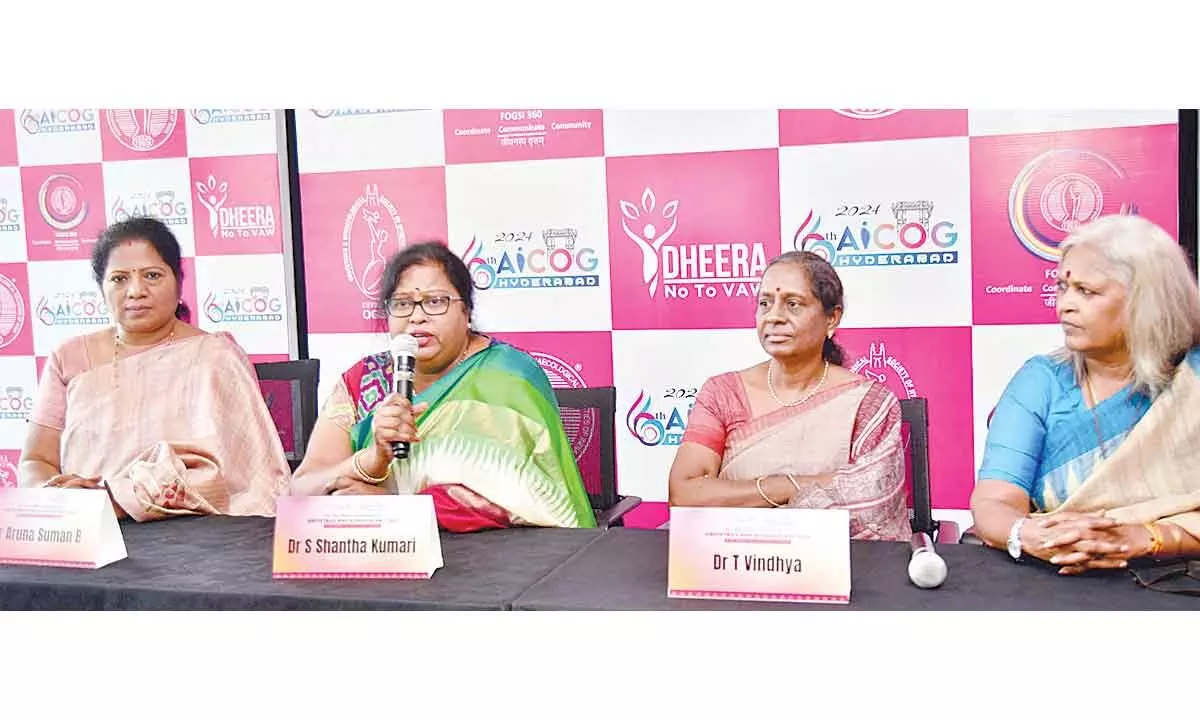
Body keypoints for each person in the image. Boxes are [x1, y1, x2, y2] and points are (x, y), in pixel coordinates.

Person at [291, 241, 596, 532]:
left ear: (467, 312)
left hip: (498, 563)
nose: (417, 316)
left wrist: (396, 507)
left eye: (435, 302)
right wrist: (370, 461)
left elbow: (534, 498)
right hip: (381, 558)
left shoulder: (509, 376)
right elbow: (303, 488)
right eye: (402, 304)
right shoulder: (363, 380)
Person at [970, 214, 1200, 574]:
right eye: (1063, 287)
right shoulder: (1041, 380)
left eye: (1086, 292)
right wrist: (1026, 534)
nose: (1064, 305)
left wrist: (1149, 537)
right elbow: (995, 499)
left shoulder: (1193, 380)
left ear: (1146, 301)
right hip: (1055, 575)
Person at [18, 217, 290, 520]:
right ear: (101, 288)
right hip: (85, 529)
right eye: (119, 279)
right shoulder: (68, 357)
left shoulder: (215, 356)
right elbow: (36, 460)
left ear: (178, 282)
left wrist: (118, 500)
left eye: (152, 275)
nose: (135, 291)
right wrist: (52, 498)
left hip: (194, 535)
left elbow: (241, 476)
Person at [667, 251, 910, 541]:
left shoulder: (867, 403)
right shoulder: (723, 393)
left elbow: (870, 508)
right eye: (765, 303)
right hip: (733, 560)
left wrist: (746, 496)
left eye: (792, 304)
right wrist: (798, 486)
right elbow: (685, 493)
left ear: (832, 319)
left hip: (840, 567)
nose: (773, 317)